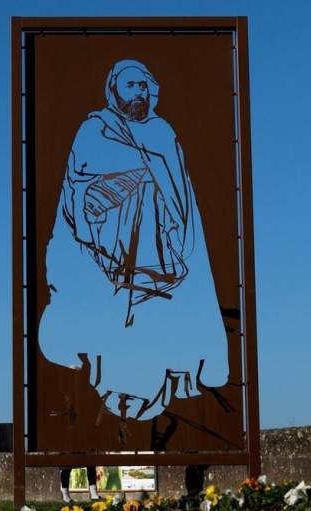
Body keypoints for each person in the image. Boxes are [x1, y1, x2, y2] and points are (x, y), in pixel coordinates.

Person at [39, 59, 228, 421]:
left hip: (161, 248)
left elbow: (180, 189)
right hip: (108, 249)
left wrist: (159, 192)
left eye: (143, 87)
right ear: (114, 90)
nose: (139, 93)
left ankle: (165, 372)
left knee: (156, 319)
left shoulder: (162, 131)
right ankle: (114, 377)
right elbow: (79, 183)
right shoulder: (95, 129)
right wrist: (134, 175)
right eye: (131, 86)